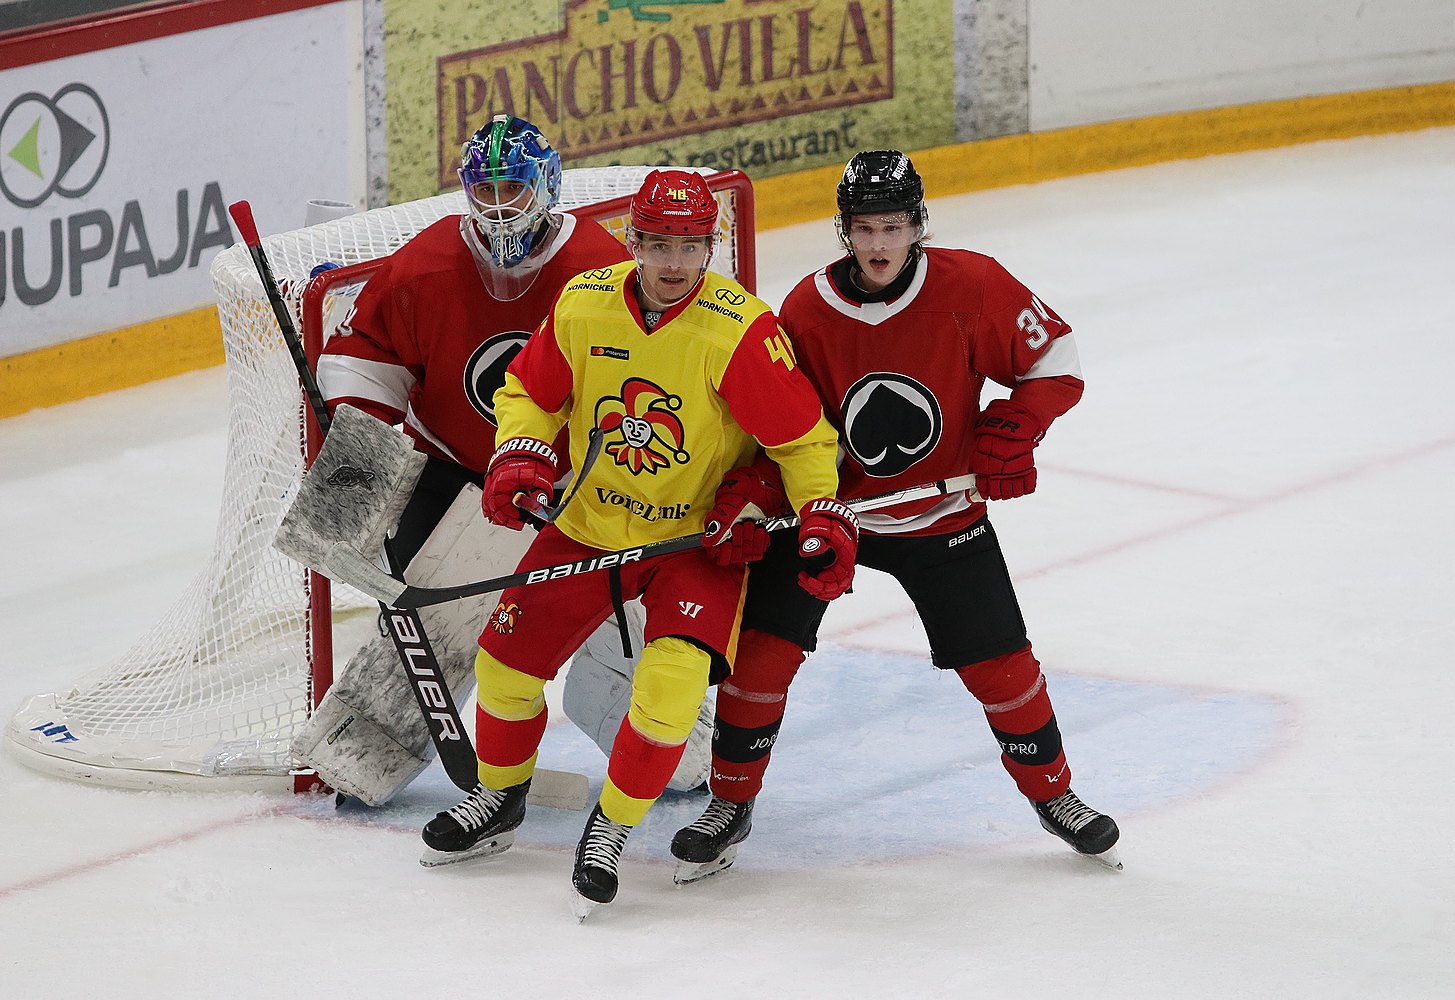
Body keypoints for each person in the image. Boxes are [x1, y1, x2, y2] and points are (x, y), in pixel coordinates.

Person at [670, 150, 1122, 881]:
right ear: (843, 231)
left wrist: (1017, 423)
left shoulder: (972, 284)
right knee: (761, 658)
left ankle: (1055, 795)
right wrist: (756, 490)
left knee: (1001, 667)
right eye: (863, 228)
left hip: (941, 514)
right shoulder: (808, 309)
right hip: (831, 513)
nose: (878, 245)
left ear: (917, 225)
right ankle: (729, 803)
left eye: (892, 226)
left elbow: (1056, 357)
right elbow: (786, 421)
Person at [418, 167, 851, 916]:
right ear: (634, 241)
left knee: (668, 697)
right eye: (658, 243)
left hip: (694, 543)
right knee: (505, 670)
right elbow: (527, 391)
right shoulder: (585, 305)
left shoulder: (740, 329)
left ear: (709, 246)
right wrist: (521, 450)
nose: (674, 263)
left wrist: (813, 511)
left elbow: (804, 442)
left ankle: (610, 829)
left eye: (689, 245)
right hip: (586, 526)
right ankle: (499, 799)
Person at [294, 115, 709, 805]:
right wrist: (360, 439)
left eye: (512, 189)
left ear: (546, 186)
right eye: (483, 189)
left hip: (577, 487)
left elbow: (651, 380)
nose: (497, 206)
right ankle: (361, 750)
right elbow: (368, 352)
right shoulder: (427, 261)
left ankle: (661, 738)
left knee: (629, 629)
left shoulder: (600, 270)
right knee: (433, 621)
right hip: (454, 468)